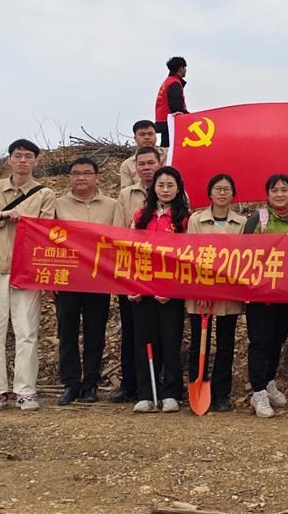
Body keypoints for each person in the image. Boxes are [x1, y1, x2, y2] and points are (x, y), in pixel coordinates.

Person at [0, 139, 56, 411]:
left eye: (28, 156)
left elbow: (47, 230)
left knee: (27, 332)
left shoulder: (44, 194)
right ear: (8, 160)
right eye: (18, 155)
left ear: (36, 161)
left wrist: (26, 222)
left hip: (27, 270)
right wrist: (1, 216)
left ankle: (26, 391)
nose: (23, 160)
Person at [243, 173, 288, 418]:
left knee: (278, 339)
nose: (280, 194)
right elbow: (243, 252)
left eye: (284, 190)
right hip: (260, 293)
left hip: (287, 291)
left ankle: (269, 381)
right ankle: (258, 391)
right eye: (274, 190)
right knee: (260, 340)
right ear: (267, 194)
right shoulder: (258, 219)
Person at [54, 157, 117, 405]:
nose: (81, 177)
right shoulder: (57, 205)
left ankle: (91, 384)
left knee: (95, 333)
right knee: (67, 333)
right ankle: (70, 384)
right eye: (76, 173)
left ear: (97, 176)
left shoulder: (111, 205)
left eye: (87, 173)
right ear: (70, 177)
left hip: (99, 279)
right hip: (67, 278)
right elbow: (46, 239)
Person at [129, 166, 190, 412]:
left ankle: (171, 393)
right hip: (142, 288)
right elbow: (129, 252)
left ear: (178, 189)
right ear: (153, 188)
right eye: (161, 185)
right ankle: (145, 393)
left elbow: (189, 257)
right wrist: (131, 285)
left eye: (170, 185)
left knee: (171, 340)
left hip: (170, 291)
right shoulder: (140, 216)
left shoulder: (184, 218)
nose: (165, 190)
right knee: (145, 341)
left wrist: (173, 289)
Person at [185, 174, 245, 413]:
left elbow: (245, 257)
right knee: (198, 343)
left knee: (225, 343)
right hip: (200, 292)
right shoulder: (196, 220)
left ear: (233, 194)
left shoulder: (242, 223)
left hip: (229, 292)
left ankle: (221, 393)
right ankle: (196, 385)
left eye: (226, 189)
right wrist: (200, 288)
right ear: (209, 193)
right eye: (217, 189)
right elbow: (190, 254)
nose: (222, 193)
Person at [109, 146, 161, 403]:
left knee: (163, 329)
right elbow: (118, 233)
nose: (146, 168)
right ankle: (130, 384)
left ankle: (161, 384)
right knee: (131, 330)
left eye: (151, 163)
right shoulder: (126, 194)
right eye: (142, 164)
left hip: (164, 273)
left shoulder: (173, 190)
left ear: (160, 164)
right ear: (136, 167)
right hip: (133, 271)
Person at [154, 56, 189, 147]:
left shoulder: (167, 81)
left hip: (163, 120)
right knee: (170, 147)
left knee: (166, 146)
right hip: (169, 121)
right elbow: (176, 106)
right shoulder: (174, 83)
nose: (186, 70)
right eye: (185, 67)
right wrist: (190, 117)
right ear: (181, 68)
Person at [119, 120, 164, 188]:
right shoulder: (127, 165)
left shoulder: (170, 154)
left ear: (156, 136)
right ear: (135, 138)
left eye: (150, 134)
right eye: (142, 134)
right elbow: (126, 192)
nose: (147, 137)